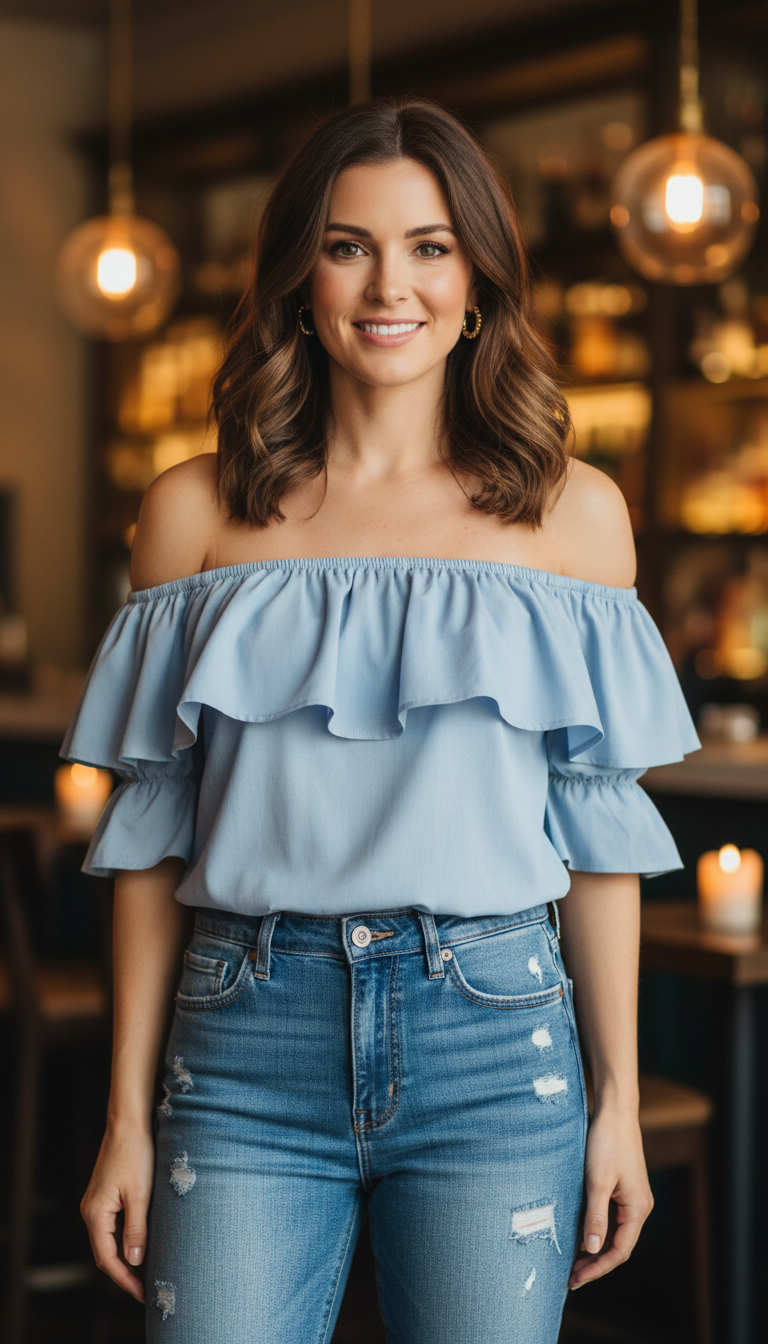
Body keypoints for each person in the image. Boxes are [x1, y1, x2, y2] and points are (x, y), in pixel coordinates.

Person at [66, 98, 700, 1343]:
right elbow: (150, 839)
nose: (387, 285)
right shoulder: (192, 514)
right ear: (298, 279)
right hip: (242, 1041)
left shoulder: (574, 518)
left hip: (495, 1041)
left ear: (477, 285)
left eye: (429, 246)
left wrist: (618, 1103)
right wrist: (125, 1117)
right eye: (347, 245)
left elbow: (598, 835)